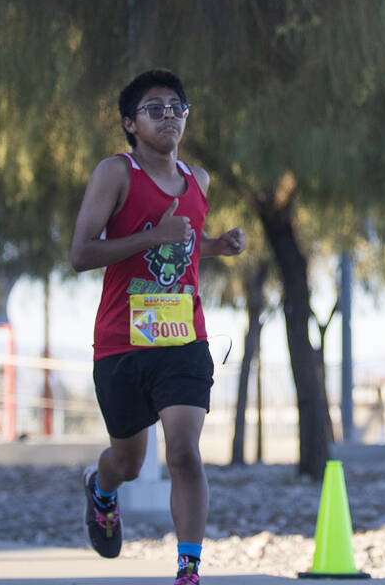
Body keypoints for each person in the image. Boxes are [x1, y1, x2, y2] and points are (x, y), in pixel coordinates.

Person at [70, 69, 246, 585]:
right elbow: (81, 253)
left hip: (182, 338)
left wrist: (215, 246)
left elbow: (183, 245)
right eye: (155, 108)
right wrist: (152, 236)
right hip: (121, 341)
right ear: (130, 122)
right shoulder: (115, 173)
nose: (169, 115)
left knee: (184, 451)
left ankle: (188, 569)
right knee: (127, 461)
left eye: (177, 107)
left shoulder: (199, 180)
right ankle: (102, 489)